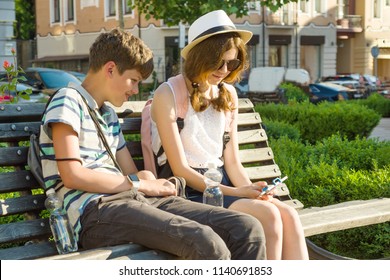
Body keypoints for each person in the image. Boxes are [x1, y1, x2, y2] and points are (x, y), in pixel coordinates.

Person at [39, 27, 266, 260]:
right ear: (110, 69)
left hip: (135, 202)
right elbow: (72, 175)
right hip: (95, 212)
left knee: (246, 228)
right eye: (134, 80)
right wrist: (139, 185)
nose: (136, 90)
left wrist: (147, 179)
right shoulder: (68, 100)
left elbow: (132, 175)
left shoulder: (107, 114)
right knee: (205, 243)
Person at [151, 10, 309, 260]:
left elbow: (232, 160)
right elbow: (180, 169)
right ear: (200, 57)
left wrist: (253, 189)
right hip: (189, 191)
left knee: (287, 214)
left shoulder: (228, 94)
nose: (225, 69)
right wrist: (238, 192)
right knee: (268, 216)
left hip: (222, 185)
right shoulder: (168, 93)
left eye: (232, 63)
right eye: (219, 62)